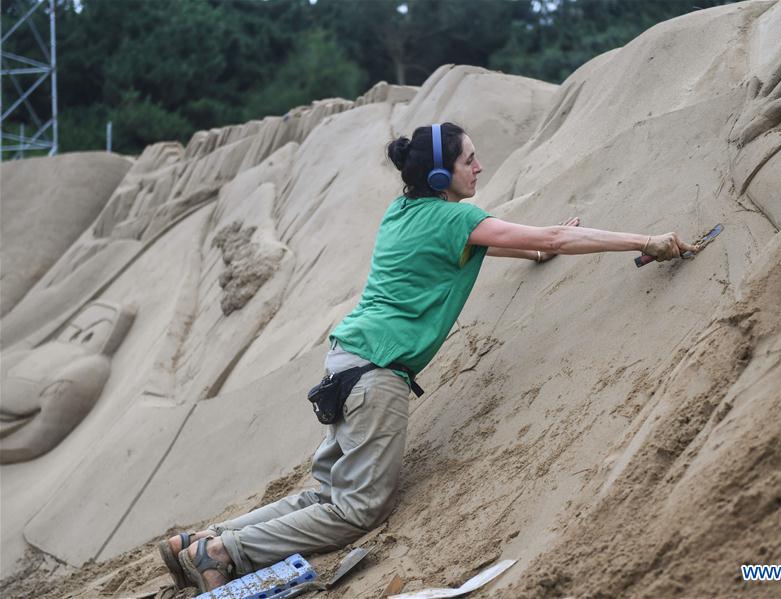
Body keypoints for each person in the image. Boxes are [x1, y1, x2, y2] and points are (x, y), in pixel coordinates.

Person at [160, 122, 696, 592]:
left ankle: (202, 540)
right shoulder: (454, 220)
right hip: (377, 380)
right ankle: (225, 553)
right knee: (358, 508)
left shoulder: (403, 212)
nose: (479, 166)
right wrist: (643, 239)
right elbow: (544, 232)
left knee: (327, 490)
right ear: (442, 177)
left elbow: (481, 244)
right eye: (469, 160)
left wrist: (535, 252)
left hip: (344, 363)